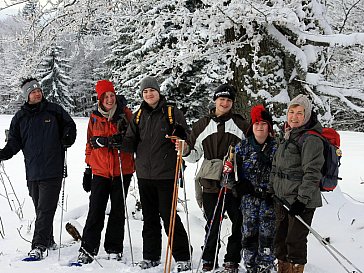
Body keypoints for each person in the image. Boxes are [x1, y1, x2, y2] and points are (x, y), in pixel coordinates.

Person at [0, 78, 76, 260]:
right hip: (32, 171)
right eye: (33, 92)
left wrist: (67, 137)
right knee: (40, 208)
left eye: (39, 90)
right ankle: (48, 240)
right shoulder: (20, 117)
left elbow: (70, 125)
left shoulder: (54, 110)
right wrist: (4, 153)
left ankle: (38, 246)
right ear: (26, 95)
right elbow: (14, 142)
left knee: (45, 209)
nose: (37, 93)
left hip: (53, 169)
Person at [121, 76, 192, 272]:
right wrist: (121, 140)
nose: (149, 94)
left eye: (151, 90)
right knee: (149, 217)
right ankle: (150, 256)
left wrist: (181, 137)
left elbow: (186, 138)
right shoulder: (138, 116)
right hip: (144, 174)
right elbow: (130, 141)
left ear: (158, 92)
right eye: (145, 92)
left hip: (166, 174)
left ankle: (183, 255)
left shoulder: (171, 112)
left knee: (168, 216)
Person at [179, 84, 249, 273]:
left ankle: (232, 260)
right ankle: (209, 257)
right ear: (215, 100)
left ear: (232, 103)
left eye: (228, 100)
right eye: (221, 99)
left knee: (238, 221)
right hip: (210, 179)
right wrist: (184, 151)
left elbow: (249, 151)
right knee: (212, 221)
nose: (224, 103)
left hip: (234, 180)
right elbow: (194, 155)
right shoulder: (202, 124)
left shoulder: (241, 124)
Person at [77, 80, 135, 264]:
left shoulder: (125, 114)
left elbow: (134, 139)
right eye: (105, 96)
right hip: (100, 171)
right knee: (95, 210)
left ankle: (114, 248)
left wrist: (119, 141)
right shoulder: (94, 117)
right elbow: (89, 144)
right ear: (100, 98)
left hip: (121, 170)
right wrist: (88, 169)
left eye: (111, 95)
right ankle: (88, 248)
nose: (109, 99)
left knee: (118, 211)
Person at [269, 94, 324, 273]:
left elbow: (312, 172)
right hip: (283, 199)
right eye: (291, 112)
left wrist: (302, 200)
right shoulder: (287, 135)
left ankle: (295, 269)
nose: (294, 116)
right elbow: (277, 166)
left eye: (299, 113)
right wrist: (272, 189)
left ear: (307, 115)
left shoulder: (311, 139)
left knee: (295, 242)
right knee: (281, 240)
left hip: (301, 202)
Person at [234, 105, 277, 273]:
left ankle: (265, 265)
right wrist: (238, 185)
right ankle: (250, 265)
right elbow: (232, 175)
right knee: (249, 234)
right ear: (252, 126)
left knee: (267, 235)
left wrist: (273, 191)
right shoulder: (241, 147)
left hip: (270, 201)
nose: (259, 127)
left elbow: (281, 173)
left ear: (269, 127)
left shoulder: (277, 148)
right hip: (248, 201)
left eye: (263, 123)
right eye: (256, 123)